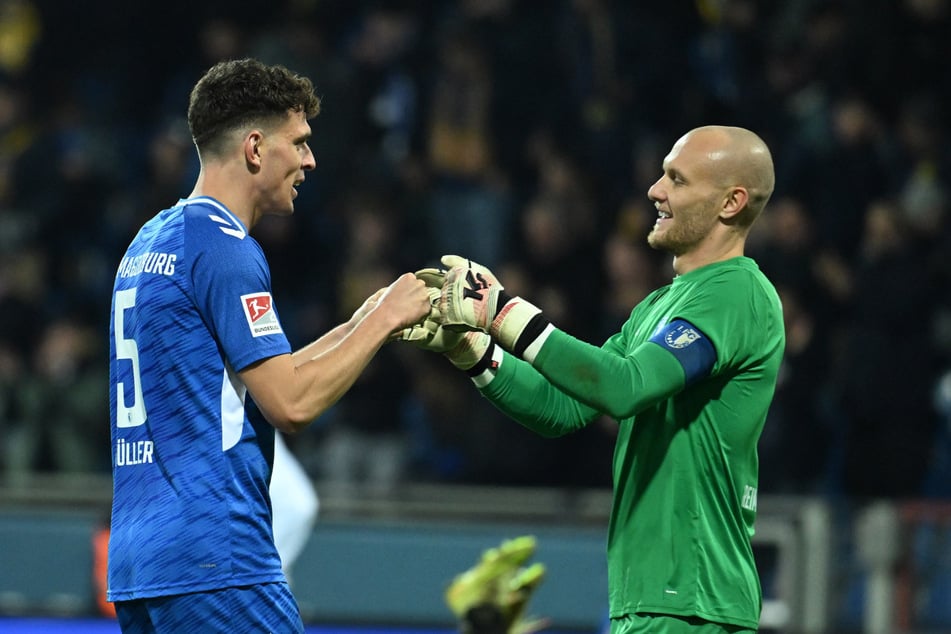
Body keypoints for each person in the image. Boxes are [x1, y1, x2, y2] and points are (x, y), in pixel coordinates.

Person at [403, 125, 784, 633]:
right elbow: (565, 406)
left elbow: (625, 388)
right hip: (652, 598)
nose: (655, 190)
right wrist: (473, 348)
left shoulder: (736, 292)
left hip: (693, 601)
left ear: (731, 202)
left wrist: (504, 312)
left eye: (677, 179)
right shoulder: (659, 306)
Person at [107, 58, 430, 633]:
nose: (310, 161)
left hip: (143, 564)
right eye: (300, 143)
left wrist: (364, 320)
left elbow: (247, 381)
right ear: (256, 148)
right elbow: (291, 405)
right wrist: (384, 323)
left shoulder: (152, 241)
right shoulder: (226, 248)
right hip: (219, 562)